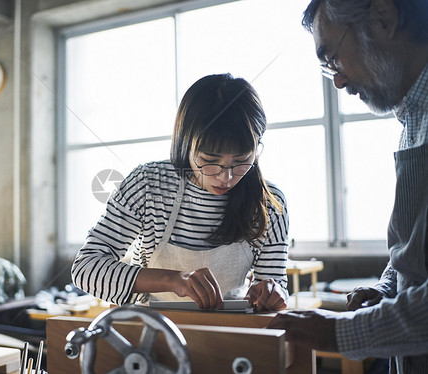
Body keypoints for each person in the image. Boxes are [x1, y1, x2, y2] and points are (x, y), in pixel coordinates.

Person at [268, 0, 428, 372]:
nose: (337, 79)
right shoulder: (413, 120)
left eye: (333, 57)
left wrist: (339, 333)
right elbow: (416, 252)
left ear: (383, 18)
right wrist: (387, 287)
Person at [71, 74, 289, 311]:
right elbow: (86, 268)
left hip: (229, 334)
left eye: (242, 161)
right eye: (209, 160)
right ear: (186, 143)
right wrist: (174, 280)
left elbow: (274, 288)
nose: (225, 177)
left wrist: (272, 294)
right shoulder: (148, 185)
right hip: (149, 333)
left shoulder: (269, 204)